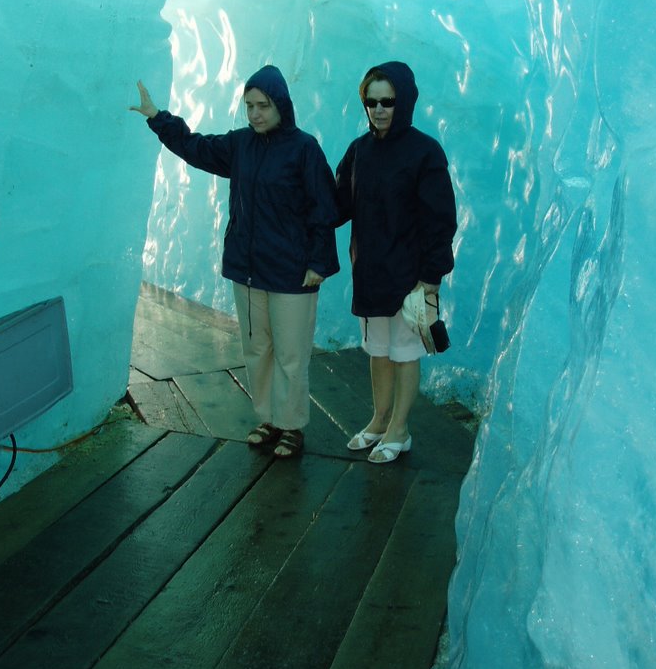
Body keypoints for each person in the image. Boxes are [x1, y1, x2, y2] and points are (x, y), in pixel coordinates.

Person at [131, 66, 339, 458]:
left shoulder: (304, 148)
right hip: (247, 268)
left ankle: (292, 424)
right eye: (249, 106)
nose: (256, 113)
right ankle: (269, 417)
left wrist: (319, 261)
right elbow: (196, 148)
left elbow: (323, 209)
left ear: (281, 105)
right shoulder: (241, 144)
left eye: (263, 105)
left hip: (293, 271)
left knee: (291, 353)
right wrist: (158, 119)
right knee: (257, 348)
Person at [335, 61, 457, 464]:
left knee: (405, 354)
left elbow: (440, 219)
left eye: (388, 100)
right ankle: (379, 420)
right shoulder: (359, 151)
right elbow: (337, 204)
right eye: (372, 102)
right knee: (379, 352)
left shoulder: (425, 151)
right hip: (370, 272)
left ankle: (400, 430)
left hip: (409, 278)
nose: (379, 109)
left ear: (403, 101)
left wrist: (431, 277)